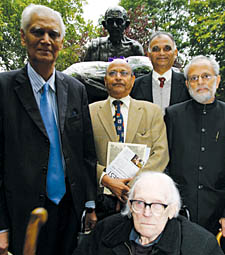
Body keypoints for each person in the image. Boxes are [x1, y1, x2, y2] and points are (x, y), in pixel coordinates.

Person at [0, 4, 97, 255]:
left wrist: (89, 203)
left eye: (53, 34)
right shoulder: (3, 88)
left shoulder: (76, 89)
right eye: (37, 32)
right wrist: (0, 226)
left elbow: (86, 152)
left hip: (69, 211)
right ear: (23, 37)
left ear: (61, 42)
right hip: (21, 215)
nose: (45, 40)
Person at [89, 59, 169, 219]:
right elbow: (83, 156)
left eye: (124, 73)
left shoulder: (152, 111)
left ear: (132, 80)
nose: (118, 77)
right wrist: (105, 179)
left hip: (143, 199)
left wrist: (131, 186)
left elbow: (161, 155)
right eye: (112, 73)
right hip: (102, 199)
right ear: (105, 81)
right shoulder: (90, 112)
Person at [74, 171, 224, 255]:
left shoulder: (201, 247)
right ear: (130, 207)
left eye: (157, 205)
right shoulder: (106, 230)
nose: (147, 212)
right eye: (139, 203)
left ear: (171, 210)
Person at [165, 55, 225, 242]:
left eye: (206, 76)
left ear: (218, 79)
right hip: (179, 211)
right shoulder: (173, 115)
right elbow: (164, 162)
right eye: (194, 78)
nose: (200, 82)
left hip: (218, 214)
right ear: (187, 83)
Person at [131, 31, 190, 114]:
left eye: (167, 48)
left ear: (175, 53)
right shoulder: (135, 86)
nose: (161, 53)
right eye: (156, 49)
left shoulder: (188, 83)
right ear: (149, 55)